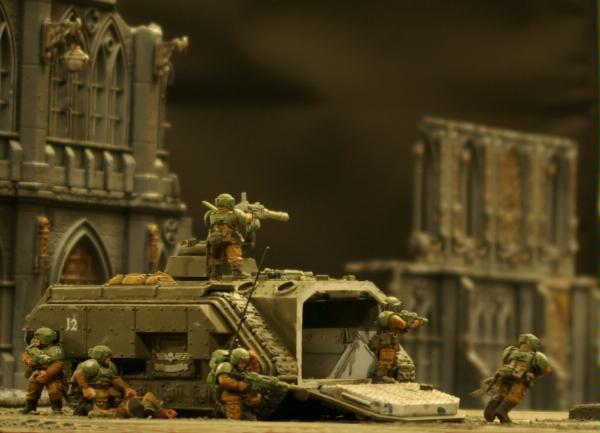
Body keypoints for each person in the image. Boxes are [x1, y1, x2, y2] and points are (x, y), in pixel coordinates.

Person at [70, 344, 176, 418]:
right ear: (100, 356)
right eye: (107, 357)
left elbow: (115, 379)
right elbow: (78, 374)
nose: (109, 359)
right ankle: (107, 414)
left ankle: (150, 410)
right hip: (94, 399)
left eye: (109, 357)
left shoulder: (110, 366)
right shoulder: (92, 365)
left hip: (109, 398)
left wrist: (126, 388)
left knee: (147, 397)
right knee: (108, 412)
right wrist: (86, 388)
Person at [483, 333, 551, 424]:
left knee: (501, 394)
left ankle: (489, 411)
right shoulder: (536, 356)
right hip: (520, 381)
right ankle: (502, 411)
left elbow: (505, 363)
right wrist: (532, 374)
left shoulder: (511, 351)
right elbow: (544, 370)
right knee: (515, 397)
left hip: (505, 377)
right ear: (534, 344)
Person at [368, 296, 427, 383]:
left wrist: (414, 322)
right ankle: (380, 376)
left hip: (391, 340)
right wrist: (406, 322)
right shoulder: (384, 315)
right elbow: (398, 322)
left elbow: (402, 328)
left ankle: (388, 376)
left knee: (394, 361)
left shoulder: (396, 316)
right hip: (384, 340)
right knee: (386, 359)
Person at [204, 193, 254, 279]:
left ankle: (214, 274)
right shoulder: (235, 213)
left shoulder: (211, 213)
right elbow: (246, 220)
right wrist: (250, 214)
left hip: (214, 239)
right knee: (234, 254)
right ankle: (236, 272)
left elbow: (207, 223)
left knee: (215, 256)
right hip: (230, 239)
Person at [21, 327, 65, 414]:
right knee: (32, 389)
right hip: (37, 372)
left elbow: (58, 364)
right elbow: (25, 355)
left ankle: (56, 409)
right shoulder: (33, 348)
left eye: (38, 338)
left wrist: (47, 373)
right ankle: (30, 407)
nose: (36, 340)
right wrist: (28, 360)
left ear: (46, 339)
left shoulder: (56, 350)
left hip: (51, 375)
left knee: (54, 391)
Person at [214, 347, 262, 420]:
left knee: (254, 401)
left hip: (243, 392)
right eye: (241, 363)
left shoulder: (245, 368)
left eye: (245, 363)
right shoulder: (226, 366)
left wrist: (253, 360)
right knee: (234, 406)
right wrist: (238, 385)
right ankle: (225, 412)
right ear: (235, 360)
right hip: (229, 392)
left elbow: (255, 374)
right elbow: (223, 381)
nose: (243, 365)